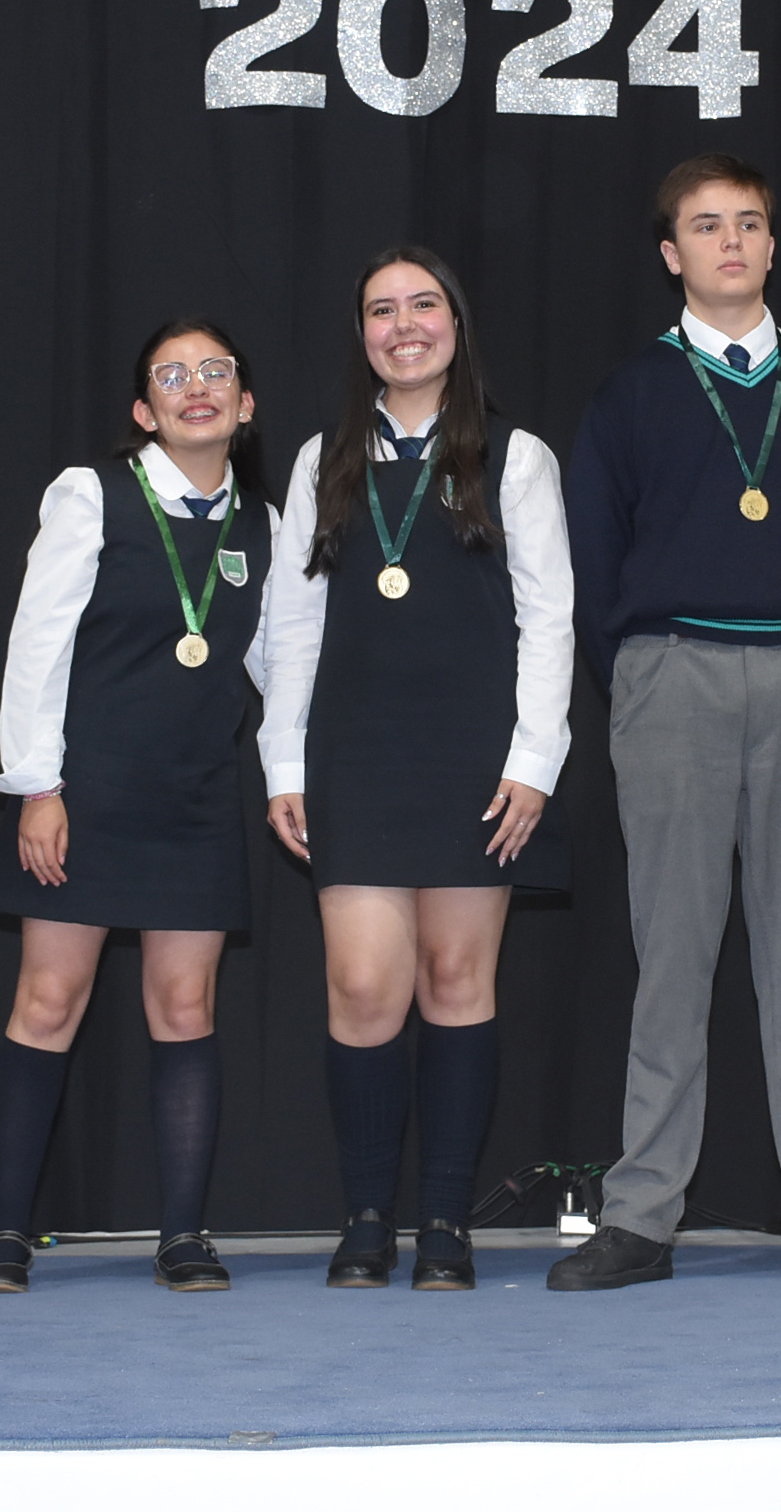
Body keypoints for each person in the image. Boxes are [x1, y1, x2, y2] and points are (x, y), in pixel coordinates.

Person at [553, 153, 781, 1290]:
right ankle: (641, 1213)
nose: (731, 241)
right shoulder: (631, 392)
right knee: (671, 950)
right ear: (670, 252)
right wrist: (641, 669)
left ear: (773, 245)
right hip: (670, 672)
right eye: (707, 224)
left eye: (750, 223)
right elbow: (594, 558)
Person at [263, 247, 574, 1293]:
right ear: (360, 335)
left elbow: (549, 618)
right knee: (362, 987)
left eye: (423, 305)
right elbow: (292, 622)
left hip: (475, 756)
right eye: (381, 310)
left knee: (455, 981)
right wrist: (282, 760)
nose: (403, 326)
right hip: (354, 753)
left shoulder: (516, 456)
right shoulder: (322, 457)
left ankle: (444, 1219)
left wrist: (534, 761)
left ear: (456, 322)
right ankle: (366, 1216)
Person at [0, 319, 277, 1294]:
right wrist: (37, 786)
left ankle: (183, 1235)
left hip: (195, 797)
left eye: (215, 371)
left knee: (185, 1005)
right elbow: (37, 644)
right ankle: (4, 1233)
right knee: (48, 1000)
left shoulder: (264, 525)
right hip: (84, 794)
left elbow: (278, 668)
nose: (196, 387)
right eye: (171, 376)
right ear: (145, 410)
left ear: (245, 403)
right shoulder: (90, 494)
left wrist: (301, 771)